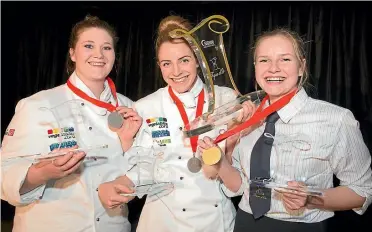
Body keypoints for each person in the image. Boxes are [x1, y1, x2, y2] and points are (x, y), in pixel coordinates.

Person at [198, 28, 372, 232]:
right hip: (246, 223)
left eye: (285, 59)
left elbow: (361, 191)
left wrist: (311, 199)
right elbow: (240, 187)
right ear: (255, 67)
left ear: (301, 67)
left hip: (302, 227)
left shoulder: (336, 119)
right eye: (264, 60)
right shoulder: (246, 117)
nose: (273, 69)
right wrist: (219, 161)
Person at [97, 15, 254, 232]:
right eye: (166, 64)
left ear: (198, 60)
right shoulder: (145, 107)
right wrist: (120, 184)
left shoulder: (227, 99)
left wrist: (241, 129)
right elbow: (144, 167)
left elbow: (239, 173)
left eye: (184, 60)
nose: (176, 71)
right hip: (161, 220)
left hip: (215, 220)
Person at [1, 15, 142, 232]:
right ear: (72, 53)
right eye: (88, 46)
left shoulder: (130, 108)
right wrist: (43, 173)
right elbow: (4, 174)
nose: (98, 55)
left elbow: (142, 168)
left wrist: (128, 153)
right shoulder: (38, 105)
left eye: (107, 48)